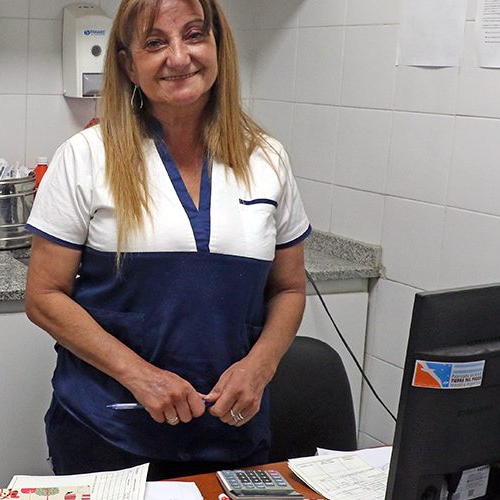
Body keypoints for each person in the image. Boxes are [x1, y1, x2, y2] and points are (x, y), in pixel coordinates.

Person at [24, 0, 311, 480]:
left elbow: (289, 288)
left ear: (218, 46)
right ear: (128, 65)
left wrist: (259, 367)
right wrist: (141, 377)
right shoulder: (85, 156)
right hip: (109, 434)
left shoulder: (267, 158)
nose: (179, 57)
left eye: (194, 35)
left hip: (233, 433)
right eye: (155, 42)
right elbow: (44, 296)